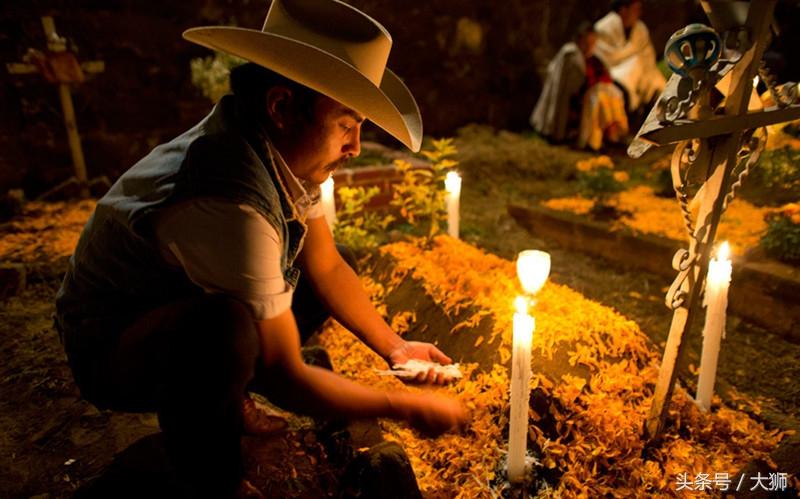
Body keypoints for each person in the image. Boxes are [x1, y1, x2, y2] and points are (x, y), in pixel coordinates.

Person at [54, 0, 469, 497]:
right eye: (346, 124)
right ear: (281, 107)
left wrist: (397, 349)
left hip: (174, 297)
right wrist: (402, 407)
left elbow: (328, 266)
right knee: (224, 331)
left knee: (319, 276)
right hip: (111, 343)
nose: (356, 146)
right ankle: (210, 473)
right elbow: (287, 375)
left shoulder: (280, 148)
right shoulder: (229, 194)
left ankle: (227, 393)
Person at [530, 23, 628, 150]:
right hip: (578, 98)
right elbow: (570, 85)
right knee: (597, 100)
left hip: (590, 94)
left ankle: (611, 136)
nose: (589, 47)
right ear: (579, 40)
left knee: (613, 95)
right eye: (586, 43)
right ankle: (591, 142)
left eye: (592, 44)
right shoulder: (570, 54)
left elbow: (602, 75)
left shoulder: (593, 57)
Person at [593, 0, 666, 115]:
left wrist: (639, 64)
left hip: (643, 73)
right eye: (635, 9)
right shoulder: (603, 28)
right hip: (615, 75)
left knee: (660, 84)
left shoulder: (640, 28)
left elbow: (647, 56)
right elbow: (604, 58)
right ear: (623, 10)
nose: (639, 13)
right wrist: (633, 59)